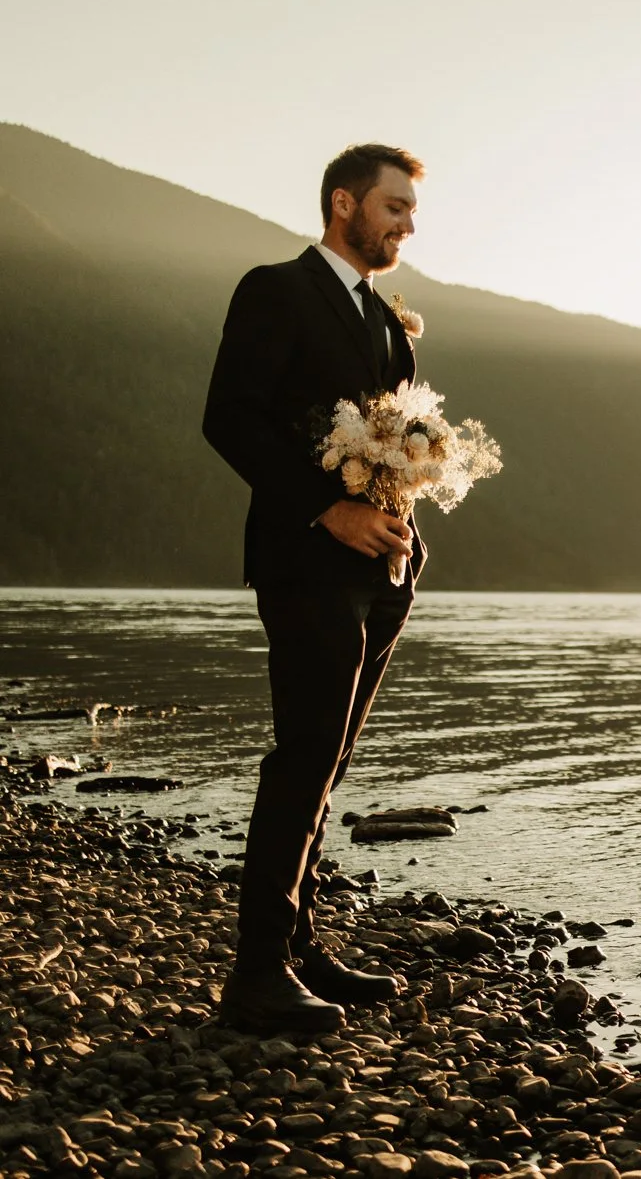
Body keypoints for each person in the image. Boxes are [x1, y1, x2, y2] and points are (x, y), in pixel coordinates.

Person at [201, 144, 428, 1033]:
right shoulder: (276, 289)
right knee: (300, 757)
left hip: (384, 571)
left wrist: (405, 526)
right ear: (344, 204)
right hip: (304, 561)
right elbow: (228, 417)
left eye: (413, 210)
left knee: (329, 761)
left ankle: (296, 947)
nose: (408, 223)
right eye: (394, 207)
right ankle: (254, 976)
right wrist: (326, 513)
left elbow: (394, 447)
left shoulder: (388, 320)